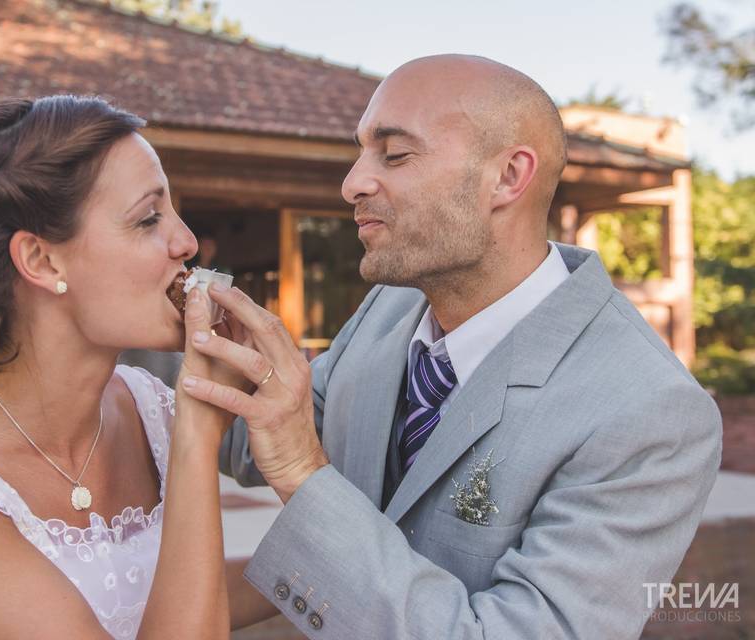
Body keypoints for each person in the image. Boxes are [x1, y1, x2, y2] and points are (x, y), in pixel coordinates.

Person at [181, 55, 723, 639]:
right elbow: (251, 438)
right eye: (361, 153)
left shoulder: (651, 411)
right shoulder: (388, 309)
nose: (352, 183)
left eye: (395, 154)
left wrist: (301, 473)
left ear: (509, 177)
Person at [0, 95, 275, 639]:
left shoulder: (144, 406)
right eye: (148, 219)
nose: (186, 243)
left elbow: (150, 596)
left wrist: (360, 564)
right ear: (42, 261)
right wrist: (198, 439)